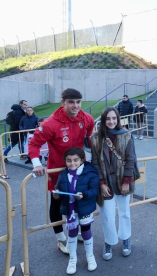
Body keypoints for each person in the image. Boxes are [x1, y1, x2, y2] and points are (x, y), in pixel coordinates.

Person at [29, 88, 95, 254]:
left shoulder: (86, 118)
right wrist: (37, 164)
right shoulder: (50, 123)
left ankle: (77, 230)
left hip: (79, 171)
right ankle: (60, 239)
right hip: (58, 172)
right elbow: (34, 144)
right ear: (63, 103)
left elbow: (91, 138)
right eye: (71, 102)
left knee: (79, 200)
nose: (75, 106)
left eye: (78, 102)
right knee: (57, 203)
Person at [90, 107, 137, 261]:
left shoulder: (126, 135)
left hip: (122, 180)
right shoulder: (96, 138)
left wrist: (126, 182)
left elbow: (130, 160)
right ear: (103, 121)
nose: (111, 121)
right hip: (105, 182)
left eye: (114, 118)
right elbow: (95, 163)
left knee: (124, 212)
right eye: (108, 119)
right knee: (107, 215)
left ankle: (126, 239)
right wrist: (101, 184)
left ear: (118, 119)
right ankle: (109, 241)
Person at [53, 147, 99, 274]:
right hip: (71, 210)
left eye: (75, 160)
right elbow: (60, 192)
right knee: (72, 232)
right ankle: (72, 259)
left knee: (86, 230)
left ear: (82, 160)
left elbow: (95, 190)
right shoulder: (63, 175)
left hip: (84, 208)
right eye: (69, 160)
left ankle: (90, 256)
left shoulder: (90, 173)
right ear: (65, 161)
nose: (72, 163)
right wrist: (57, 195)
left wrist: (84, 194)